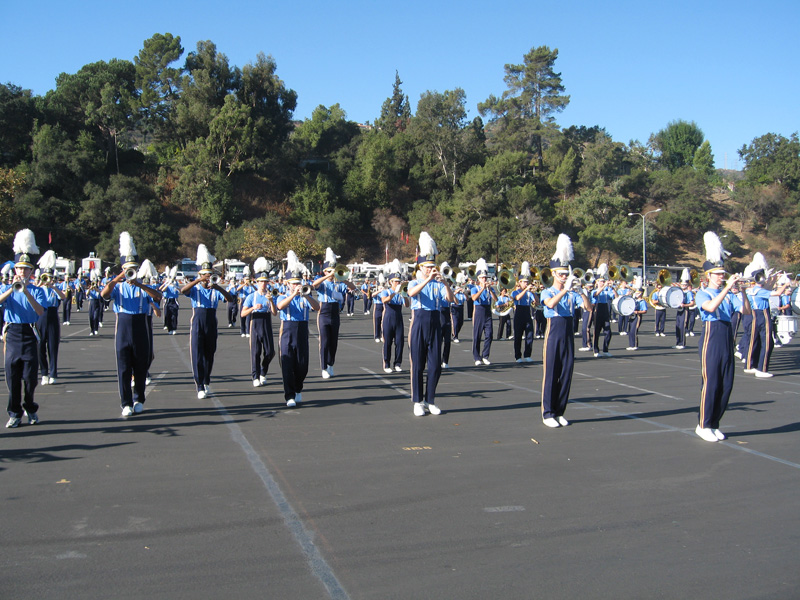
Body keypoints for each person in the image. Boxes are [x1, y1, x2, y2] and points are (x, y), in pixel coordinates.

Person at [101, 232, 163, 417]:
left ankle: (139, 398)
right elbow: (104, 295)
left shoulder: (142, 286)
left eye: (133, 268)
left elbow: (158, 297)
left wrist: (140, 284)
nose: (131, 271)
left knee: (140, 365)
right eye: (128, 268)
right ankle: (126, 402)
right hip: (123, 327)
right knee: (123, 367)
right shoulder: (118, 286)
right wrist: (120, 276)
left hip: (140, 326)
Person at [693, 232, 740, 442]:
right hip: (712, 336)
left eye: (723, 274)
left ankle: (714, 423)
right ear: (708, 276)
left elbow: (745, 311)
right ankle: (703, 424)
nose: (722, 276)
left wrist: (742, 292)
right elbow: (711, 307)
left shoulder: (729, 294)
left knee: (727, 383)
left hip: (727, 336)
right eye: (718, 274)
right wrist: (727, 289)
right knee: (711, 382)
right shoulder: (702, 293)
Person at [540, 234, 590, 428]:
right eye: (561, 274)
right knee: (551, 373)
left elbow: (588, 308)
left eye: (566, 274)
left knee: (567, 372)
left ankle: (560, 411)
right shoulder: (548, 291)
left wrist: (581, 292)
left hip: (568, 333)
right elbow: (551, 304)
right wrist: (564, 290)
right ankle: (548, 412)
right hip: (553, 334)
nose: (565, 277)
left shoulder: (571, 293)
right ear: (553, 274)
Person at [407, 232, 455, 416]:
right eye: (427, 267)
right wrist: (427, 279)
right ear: (421, 267)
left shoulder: (438, 283)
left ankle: (430, 399)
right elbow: (411, 294)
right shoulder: (415, 282)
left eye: (432, 266)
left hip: (435, 322)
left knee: (435, 365)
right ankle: (417, 401)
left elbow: (450, 299)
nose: (431, 270)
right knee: (418, 365)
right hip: (419, 322)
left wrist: (445, 282)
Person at [2, 229, 46, 428]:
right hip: (12, 333)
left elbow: (39, 312)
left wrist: (26, 291)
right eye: (19, 269)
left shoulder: (37, 290)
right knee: (12, 377)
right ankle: (14, 413)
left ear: (31, 272)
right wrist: (13, 288)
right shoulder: (6, 288)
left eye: (26, 269)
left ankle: (30, 406)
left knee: (30, 378)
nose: (22, 272)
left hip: (29, 333)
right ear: (15, 270)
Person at [181, 245, 236, 399]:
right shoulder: (195, 289)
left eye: (209, 275)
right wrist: (198, 280)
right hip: (198, 321)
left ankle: (206, 379)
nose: (207, 278)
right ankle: (199, 384)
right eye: (205, 275)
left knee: (209, 353)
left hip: (211, 322)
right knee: (197, 353)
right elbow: (183, 291)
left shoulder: (214, 290)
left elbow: (230, 299)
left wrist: (218, 287)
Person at [276, 259, 320, 407]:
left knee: (302, 365)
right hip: (288, 331)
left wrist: (306, 295)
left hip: (302, 331)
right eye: (293, 283)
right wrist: (293, 294)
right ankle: (289, 395)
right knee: (287, 364)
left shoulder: (305, 296)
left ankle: (298, 388)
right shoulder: (283, 296)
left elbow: (317, 307)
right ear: (288, 284)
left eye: (298, 282)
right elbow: (280, 306)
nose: (296, 285)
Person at [313, 248, 358, 379]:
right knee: (324, 341)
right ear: (325, 271)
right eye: (329, 271)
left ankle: (330, 364)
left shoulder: (339, 284)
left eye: (332, 271)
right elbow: (314, 285)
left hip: (335, 313)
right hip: (323, 313)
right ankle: (323, 368)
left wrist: (341, 278)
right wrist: (327, 276)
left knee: (333, 342)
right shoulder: (322, 283)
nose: (331, 273)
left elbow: (353, 288)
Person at [742, 253, 790, 378]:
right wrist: (786, 284)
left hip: (754, 315)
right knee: (767, 342)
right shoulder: (760, 291)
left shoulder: (751, 290)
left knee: (754, 341)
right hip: (763, 315)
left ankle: (749, 365)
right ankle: (762, 368)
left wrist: (774, 279)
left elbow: (767, 288)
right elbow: (777, 293)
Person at [240, 258, 277, 387]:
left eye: (265, 282)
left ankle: (263, 371)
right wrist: (253, 308)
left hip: (266, 322)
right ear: (257, 282)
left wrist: (271, 301)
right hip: (255, 322)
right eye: (261, 282)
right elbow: (243, 313)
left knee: (270, 351)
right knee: (255, 352)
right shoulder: (251, 296)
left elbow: (274, 313)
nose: (263, 284)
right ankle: (255, 376)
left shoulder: (270, 295)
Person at [36, 251, 66, 386]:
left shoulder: (56, 287)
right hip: (40, 317)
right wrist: (40, 284)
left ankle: (53, 373)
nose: (47, 279)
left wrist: (53, 286)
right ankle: (44, 373)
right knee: (40, 346)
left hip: (53, 316)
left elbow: (64, 297)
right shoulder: (38, 288)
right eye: (45, 276)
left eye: (49, 276)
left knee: (53, 346)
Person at [378, 266, 410, 373]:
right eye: (395, 281)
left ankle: (397, 363)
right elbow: (384, 301)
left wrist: (404, 294)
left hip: (398, 318)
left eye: (399, 281)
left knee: (400, 342)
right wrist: (394, 293)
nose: (398, 283)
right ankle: (386, 363)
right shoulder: (386, 291)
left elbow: (407, 305)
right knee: (387, 342)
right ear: (391, 282)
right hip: (388, 318)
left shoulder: (401, 293)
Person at [470, 258, 497, 366]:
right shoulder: (474, 288)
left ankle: (485, 355)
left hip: (487, 311)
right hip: (479, 311)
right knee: (477, 335)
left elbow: (496, 299)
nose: (484, 279)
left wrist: (489, 289)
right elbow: (474, 298)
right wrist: (482, 289)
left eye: (485, 277)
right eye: (482, 278)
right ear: (478, 278)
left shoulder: (489, 288)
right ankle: (476, 357)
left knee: (489, 335)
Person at [512, 265, 536, 363]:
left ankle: (527, 354)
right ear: (519, 282)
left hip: (527, 313)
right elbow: (517, 298)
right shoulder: (515, 292)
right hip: (518, 313)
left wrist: (533, 293)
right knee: (518, 336)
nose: (526, 284)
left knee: (529, 334)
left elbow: (536, 302)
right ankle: (518, 356)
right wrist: (525, 290)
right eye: (524, 282)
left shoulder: (529, 293)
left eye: (527, 282)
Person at [590, 267, 615, 357]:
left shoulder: (606, 291)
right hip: (597, 310)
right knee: (596, 332)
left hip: (605, 310)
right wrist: (604, 286)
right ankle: (596, 350)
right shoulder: (594, 291)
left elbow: (615, 296)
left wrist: (612, 288)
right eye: (601, 281)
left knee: (608, 332)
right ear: (597, 282)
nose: (603, 283)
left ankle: (605, 349)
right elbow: (596, 294)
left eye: (603, 281)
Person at [626, 282, 648, 350]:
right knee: (630, 330)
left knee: (634, 330)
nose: (636, 294)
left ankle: (635, 345)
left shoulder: (642, 301)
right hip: (631, 316)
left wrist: (637, 312)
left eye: (638, 293)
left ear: (641, 293)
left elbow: (645, 311)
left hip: (637, 316)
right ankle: (631, 345)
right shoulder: (634, 300)